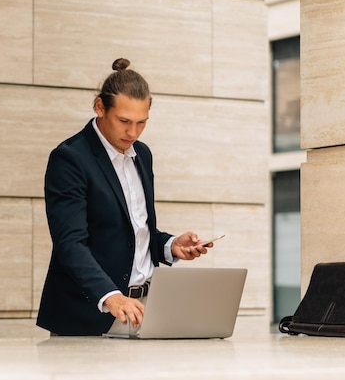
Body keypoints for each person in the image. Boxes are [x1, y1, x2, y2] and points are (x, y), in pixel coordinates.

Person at [36, 58, 213, 336]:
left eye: (142, 122)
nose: (133, 132)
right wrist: (110, 295)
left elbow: (133, 230)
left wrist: (169, 245)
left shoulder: (142, 154)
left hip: (144, 310)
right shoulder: (69, 159)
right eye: (124, 121)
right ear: (100, 108)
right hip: (90, 315)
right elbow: (69, 243)